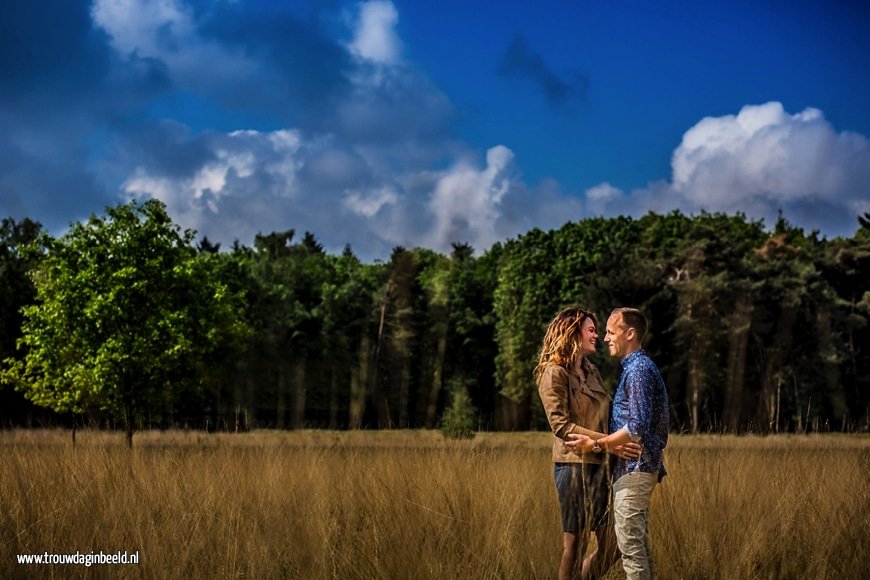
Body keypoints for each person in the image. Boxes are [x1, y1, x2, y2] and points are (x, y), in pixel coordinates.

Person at [536, 307, 641, 580]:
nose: (597, 335)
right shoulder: (553, 372)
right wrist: (607, 444)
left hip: (600, 464)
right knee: (576, 544)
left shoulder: (590, 369)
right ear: (572, 332)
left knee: (616, 544)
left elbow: (606, 414)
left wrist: (618, 440)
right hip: (572, 466)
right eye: (591, 330)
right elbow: (560, 426)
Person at [567, 307, 669, 580]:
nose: (606, 338)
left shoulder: (638, 370)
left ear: (630, 333)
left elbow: (636, 426)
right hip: (633, 470)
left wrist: (596, 445)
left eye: (611, 332)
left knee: (632, 551)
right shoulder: (635, 368)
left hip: (635, 469)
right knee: (639, 549)